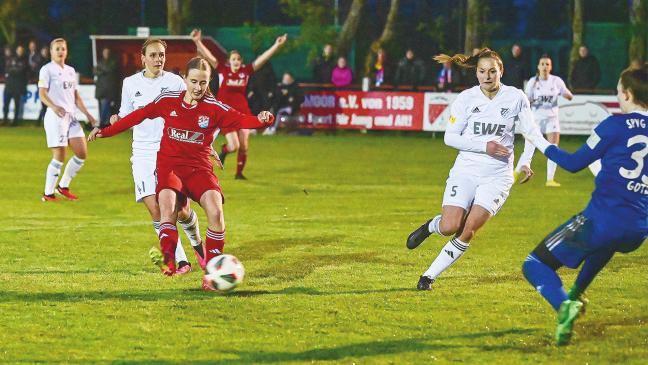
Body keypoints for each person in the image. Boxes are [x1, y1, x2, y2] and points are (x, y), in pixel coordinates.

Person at [88, 57, 274, 290]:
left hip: (198, 167)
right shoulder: (168, 101)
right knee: (167, 207)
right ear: (185, 80)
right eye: (194, 81)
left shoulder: (214, 108)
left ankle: (211, 273)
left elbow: (242, 119)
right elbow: (139, 115)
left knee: (216, 210)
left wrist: (263, 120)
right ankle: (169, 260)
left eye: (203, 83)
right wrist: (106, 130)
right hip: (170, 166)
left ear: (209, 83)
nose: (198, 88)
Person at [521, 63, 648, 346]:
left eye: (618, 91)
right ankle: (576, 294)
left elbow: (574, 163)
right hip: (638, 231)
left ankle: (564, 305)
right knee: (605, 244)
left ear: (627, 94)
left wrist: (539, 141)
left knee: (534, 264)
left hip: (601, 220)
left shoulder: (613, 125)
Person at [406, 48, 549, 290]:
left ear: (501, 71)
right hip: (466, 171)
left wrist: (525, 161)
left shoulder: (515, 97)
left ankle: (428, 276)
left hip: (498, 176)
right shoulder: (466, 99)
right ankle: (432, 226)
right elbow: (450, 138)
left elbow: (532, 133)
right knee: (451, 225)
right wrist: (486, 146)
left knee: (468, 229)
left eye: (492, 71)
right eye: (482, 71)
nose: (487, 76)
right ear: (476, 73)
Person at [111, 38, 201, 274]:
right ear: (143, 58)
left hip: (172, 150)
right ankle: (180, 261)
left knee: (181, 210)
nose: (158, 59)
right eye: (153, 55)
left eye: (161, 54)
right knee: (155, 209)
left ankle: (198, 246)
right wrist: (115, 121)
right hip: (141, 153)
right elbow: (125, 115)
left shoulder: (175, 82)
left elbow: (190, 111)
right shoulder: (130, 84)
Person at [191, 29, 287, 180]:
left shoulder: (246, 71)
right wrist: (197, 41)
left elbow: (262, 59)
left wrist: (277, 45)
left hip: (243, 111)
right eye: (233, 59)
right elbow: (209, 57)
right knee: (234, 146)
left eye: (238, 59)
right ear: (229, 61)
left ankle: (239, 174)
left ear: (241, 61)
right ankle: (224, 150)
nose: (236, 61)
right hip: (226, 113)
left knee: (244, 146)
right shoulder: (223, 69)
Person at [38, 38, 97, 201]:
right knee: (59, 156)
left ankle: (63, 186)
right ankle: (48, 193)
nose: (60, 51)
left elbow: (76, 96)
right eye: (57, 48)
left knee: (81, 153)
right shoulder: (46, 70)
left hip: (71, 116)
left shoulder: (71, 71)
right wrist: (54, 106)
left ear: (66, 51)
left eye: (63, 48)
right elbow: (42, 94)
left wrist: (88, 114)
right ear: (51, 51)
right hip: (55, 117)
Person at [515, 55, 573, 187]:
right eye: (542, 64)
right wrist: (532, 100)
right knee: (529, 149)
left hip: (552, 119)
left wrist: (567, 94)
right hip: (535, 119)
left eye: (547, 64)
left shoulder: (556, 81)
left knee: (553, 148)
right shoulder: (532, 82)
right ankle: (514, 173)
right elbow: (525, 101)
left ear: (551, 67)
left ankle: (550, 179)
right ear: (538, 66)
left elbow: (568, 94)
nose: (545, 66)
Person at [94, 47, 120, 127]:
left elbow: (110, 70)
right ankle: (106, 123)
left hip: (109, 89)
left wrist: (101, 70)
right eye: (105, 52)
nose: (106, 54)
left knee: (105, 104)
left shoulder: (113, 62)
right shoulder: (100, 62)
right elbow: (95, 71)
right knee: (105, 106)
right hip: (101, 89)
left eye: (107, 52)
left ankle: (102, 122)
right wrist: (103, 71)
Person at [3, 45, 29, 126]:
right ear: (16, 51)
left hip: (17, 87)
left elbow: (20, 71)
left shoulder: (24, 60)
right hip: (9, 86)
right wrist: (14, 69)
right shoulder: (11, 59)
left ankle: (15, 121)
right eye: (18, 50)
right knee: (6, 104)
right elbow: (7, 69)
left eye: (21, 50)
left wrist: (12, 70)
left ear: (23, 51)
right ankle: (5, 120)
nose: (20, 52)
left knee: (16, 105)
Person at [36, 46, 50, 125]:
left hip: (48, 86)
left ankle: (40, 121)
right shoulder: (40, 61)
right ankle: (41, 121)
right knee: (44, 104)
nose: (45, 52)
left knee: (45, 105)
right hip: (41, 85)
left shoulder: (49, 61)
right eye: (43, 51)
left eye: (46, 51)